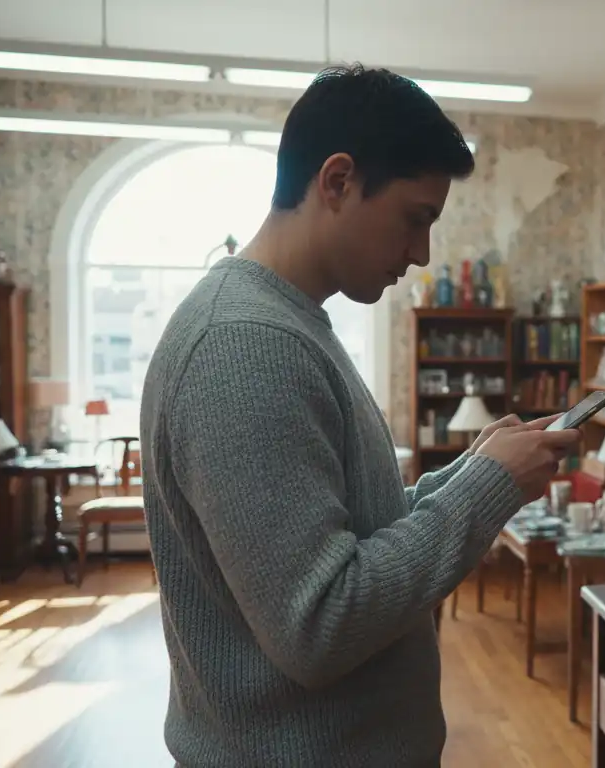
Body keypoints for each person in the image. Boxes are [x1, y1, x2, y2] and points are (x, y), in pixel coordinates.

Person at [140, 64, 581, 767]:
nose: (422, 253)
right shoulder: (245, 345)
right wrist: (486, 489)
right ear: (338, 182)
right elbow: (321, 622)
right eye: (416, 218)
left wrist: (473, 471)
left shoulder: (288, 325)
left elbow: (351, 531)